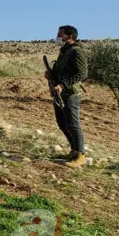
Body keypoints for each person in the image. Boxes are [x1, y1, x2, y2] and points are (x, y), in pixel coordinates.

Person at [45, 25, 88, 168]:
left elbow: (81, 73)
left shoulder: (77, 51)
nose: (57, 37)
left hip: (70, 94)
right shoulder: (65, 51)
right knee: (62, 124)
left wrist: (63, 84)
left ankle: (81, 156)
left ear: (69, 36)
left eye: (60, 35)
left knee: (73, 124)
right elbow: (64, 70)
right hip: (60, 93)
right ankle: (74, 151)